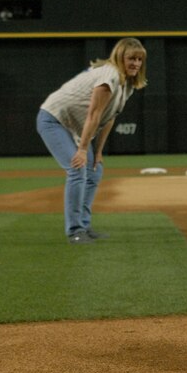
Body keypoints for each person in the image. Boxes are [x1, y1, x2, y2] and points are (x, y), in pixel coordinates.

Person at [37, 38, 147, 244]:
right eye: (131, 58)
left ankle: (85, 226)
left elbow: (109, 117)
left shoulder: (127, 85)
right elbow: (94, 114)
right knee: (77, 168)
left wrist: (97, 152)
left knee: (95, 170)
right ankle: (75, 231)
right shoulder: (110, 74)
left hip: (73, 128)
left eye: (140, 59)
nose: (136, 63)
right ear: (120, 57)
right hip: (53, 119)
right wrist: (82, 150)